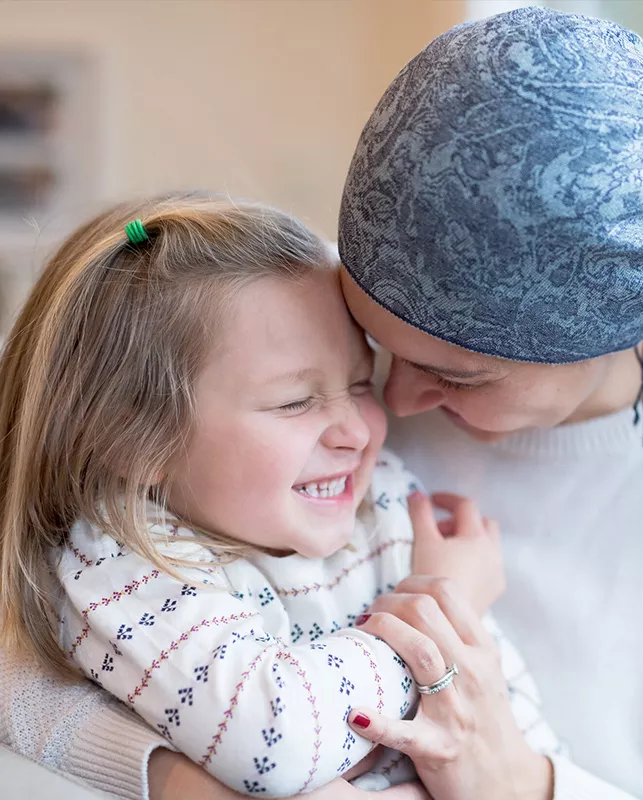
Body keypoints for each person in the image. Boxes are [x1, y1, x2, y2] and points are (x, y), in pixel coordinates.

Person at [3, 6, 643, 800]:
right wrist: (184, 779)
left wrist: (522, 784)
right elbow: (35, 634)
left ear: (612, 330)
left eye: (457, 375)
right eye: (373, 343)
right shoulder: (325, 337)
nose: (389, 400)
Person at [0, 193, 560, 798]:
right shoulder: (123, 562)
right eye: (295, 401)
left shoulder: (390, 508)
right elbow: (278, 743)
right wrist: (446, 619)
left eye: (357, 383)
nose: (356, 431)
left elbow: (519, 736)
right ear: (137, 443)